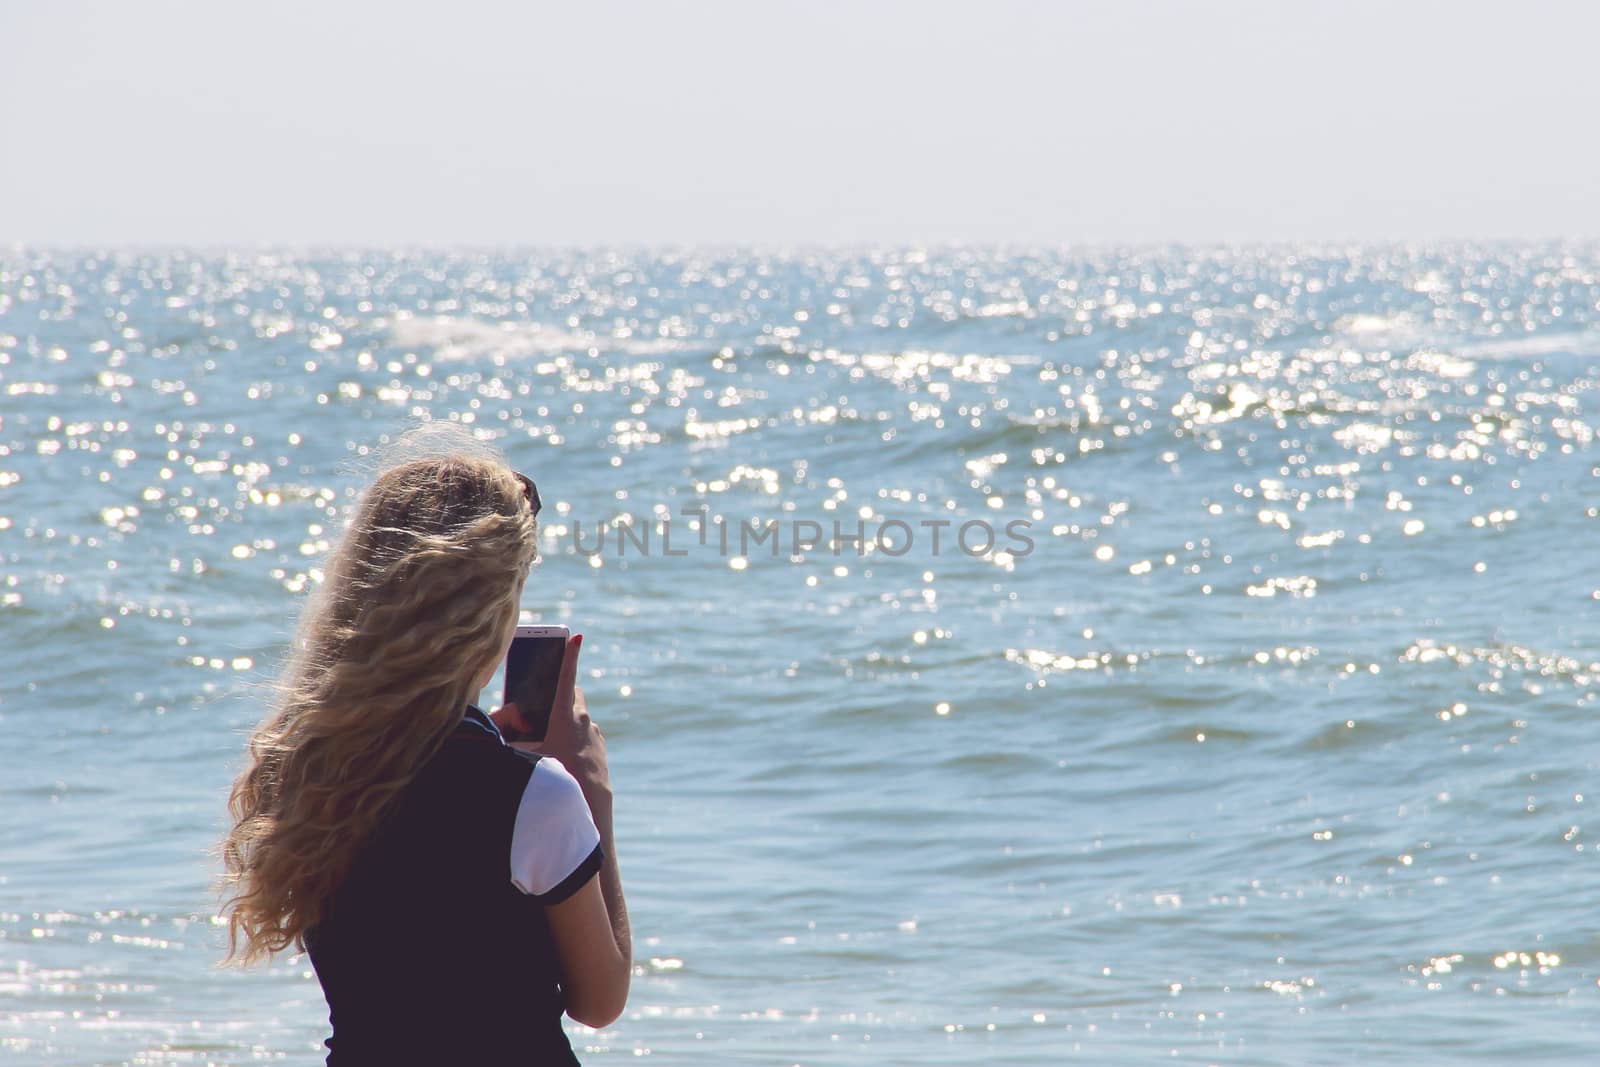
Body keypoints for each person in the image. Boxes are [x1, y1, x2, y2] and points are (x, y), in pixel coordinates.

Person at [219, 438, 630, 1066]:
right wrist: (590, 792)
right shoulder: (531, 795)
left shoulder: (301, 772)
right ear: (488, 615)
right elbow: (599, 1001)